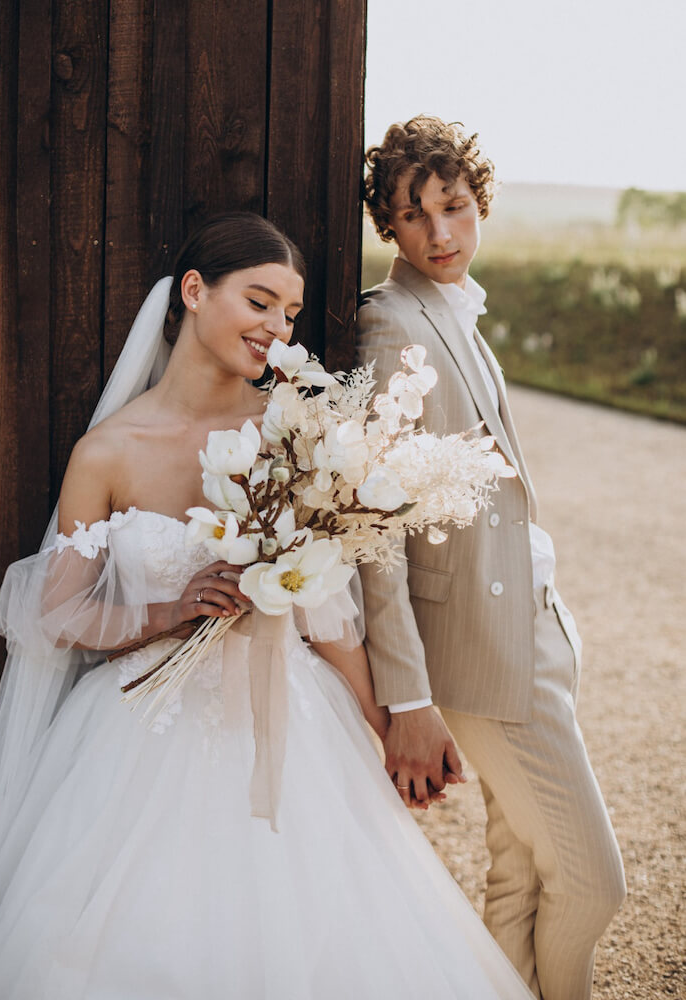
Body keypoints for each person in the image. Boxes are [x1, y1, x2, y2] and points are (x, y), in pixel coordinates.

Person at [0, 212, 533, 1000]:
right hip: (135, 734)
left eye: (290, 313)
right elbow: (58, 615)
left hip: (287, 725)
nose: (275, 327)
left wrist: (391, 725)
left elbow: (329, 616)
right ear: (194, 292)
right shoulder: (106, 453)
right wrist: (170, 611)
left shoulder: (292, 433)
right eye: (259, 301)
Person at [356, 116, 626, 1000]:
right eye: (414, 214)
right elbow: (375, 532)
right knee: (594, 883)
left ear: (480, 206)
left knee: (518, 880)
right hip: (483, 656)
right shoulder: (390, 327)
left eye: (455, 207)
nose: (440, 233)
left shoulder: (451, 310)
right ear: (387, 227)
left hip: (533, 629)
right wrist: (409, 697)